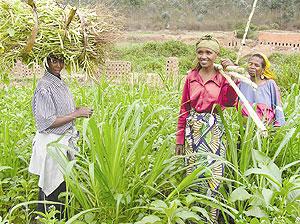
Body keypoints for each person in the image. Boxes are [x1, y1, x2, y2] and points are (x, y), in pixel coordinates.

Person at [175, 35, 238, 222]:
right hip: (192, 132)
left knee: (214, 177)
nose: (203, 56)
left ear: (216, 55)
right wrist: (179, 140)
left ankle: (211, 219)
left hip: (214, 131)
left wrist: (232, 77)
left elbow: (229, 101)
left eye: (208, 52)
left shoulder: (222, 77)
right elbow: (184, 108)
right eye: (200, 52)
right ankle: (194, 218)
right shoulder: (191, 77)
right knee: (193, 175)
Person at [29, 54, 93, 220]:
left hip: (60, 143)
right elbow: (47, 121)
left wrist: (78, 110)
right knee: (50, 189)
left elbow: (61, 111)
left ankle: (57, 219)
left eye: (61, 61)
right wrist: (77, 114)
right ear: (46, 61)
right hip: (52, 144)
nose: (58, 65)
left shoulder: (58, 82)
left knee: (59, 187)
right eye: (53, 60)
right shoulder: (45, 86)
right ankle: (45, 221)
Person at [221, 52, 285, 127]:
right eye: (250, 64)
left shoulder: (270, 84)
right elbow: (229, 99)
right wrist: (230, 67)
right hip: (244, 127)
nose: (252, 67)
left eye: (256, 65)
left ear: (263, 69)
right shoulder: (242, 81)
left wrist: (278, 125)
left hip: (265, 126)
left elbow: (277, 105)